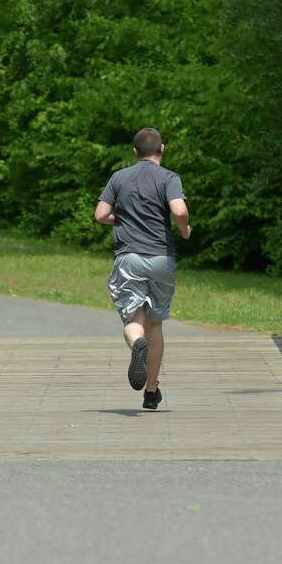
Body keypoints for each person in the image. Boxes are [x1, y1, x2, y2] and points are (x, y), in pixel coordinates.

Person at [94, 127, 190, 410]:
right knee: (155, 324)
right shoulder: (169, 178)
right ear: (163, 149)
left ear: (135, 152)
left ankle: (136, 343)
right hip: (161, 257)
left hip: (129, 257)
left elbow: (100, 214)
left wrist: (121, 220)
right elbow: (180, 211)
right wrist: (184, 230)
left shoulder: (119, 177)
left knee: (134, 321)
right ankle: (151, 391)